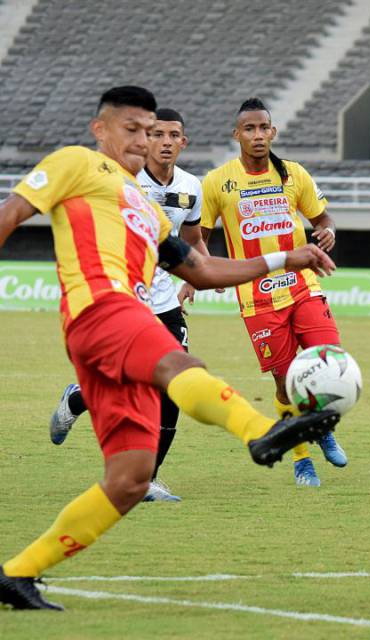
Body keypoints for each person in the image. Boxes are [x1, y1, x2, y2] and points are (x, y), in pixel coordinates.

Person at [0, 86, 340, 610]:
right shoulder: (76, 163)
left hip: (120, 326)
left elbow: (201, 270)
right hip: (100, 308)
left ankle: (19, 572)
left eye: (150, 130)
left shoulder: (147, 208)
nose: (143, 140)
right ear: (100, 130)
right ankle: (262, 431)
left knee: (130, 481)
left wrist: (284, 259)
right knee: (180, 362)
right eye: (133, 129)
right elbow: (10, 214)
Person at [49, 107, 208, 502]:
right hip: (123, 298)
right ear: (145, 140)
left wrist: (195, 277)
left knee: (175, 385)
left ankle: (147, 480)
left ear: (183, 142)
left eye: (174, 135)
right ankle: (78, 398)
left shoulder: (192, 186)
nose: (166, 142)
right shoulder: (122, 180)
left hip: (165, 302)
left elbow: (192, 240)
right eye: (158, 135)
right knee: (123, 383)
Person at [200, 97, 348, 487]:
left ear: (273, 132)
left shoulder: (294, 174)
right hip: (258, 299)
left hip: (302, 286)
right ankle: (302, 459)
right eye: (249, 129)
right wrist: (203, 272)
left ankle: (321, 427)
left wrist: (328, 231)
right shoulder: (217, 182)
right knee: (284, 384)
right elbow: (198, 236)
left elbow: (322, 217)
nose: (257, 135)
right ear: (237, 134)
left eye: (263, 127)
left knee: (329, 364)